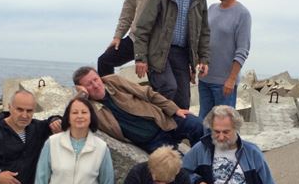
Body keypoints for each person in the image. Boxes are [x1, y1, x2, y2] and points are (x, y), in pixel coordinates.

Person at [133, 0, 210, 110]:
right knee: (168, 87)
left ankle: (175, 127)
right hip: (159, 52)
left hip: (182, 54)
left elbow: (204, 31)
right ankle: (157, 123)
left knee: (183, 100)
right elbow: (143, 27)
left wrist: (203, 59)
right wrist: (140, 58)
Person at [65, 66, 204, 154]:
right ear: (81, 88)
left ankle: (208, 167)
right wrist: (82, 95)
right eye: (89, 84)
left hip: (164, 121)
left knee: (197, 126)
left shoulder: (113, 81)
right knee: (179, 167)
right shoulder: (87, 108)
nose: (96, 85)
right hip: (152, 142)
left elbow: (148, 93)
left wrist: (174, 109)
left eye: (96, 79)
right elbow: (69, 121)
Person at [198, 0, 251, 119]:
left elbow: (242, 50)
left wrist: (231, 79)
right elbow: (202, 40)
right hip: (204, 80)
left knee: (224, 125)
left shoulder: (243, 14)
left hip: (224, 85)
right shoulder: (211, 9)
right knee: (203, 123)